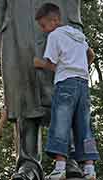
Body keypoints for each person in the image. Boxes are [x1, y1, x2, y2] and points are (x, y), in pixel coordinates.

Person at [0, 0, 84, 179]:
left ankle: (69, 158)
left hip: (59, 13)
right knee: (23, 94)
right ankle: (28, 163)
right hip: (17, 25)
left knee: (63, 90)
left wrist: (75, 25)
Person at [34, 3, 99, 180]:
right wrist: (81, 67)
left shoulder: (55, 35)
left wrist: (39, 63)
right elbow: (91, 55)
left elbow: (53, 64)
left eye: (43, 25)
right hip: (83, 84)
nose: (43, 29)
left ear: (54, 20)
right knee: (84, 125)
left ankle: (60, 167)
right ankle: (90, 170)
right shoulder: (78, 35)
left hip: (66, 84)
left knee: (61, 122)